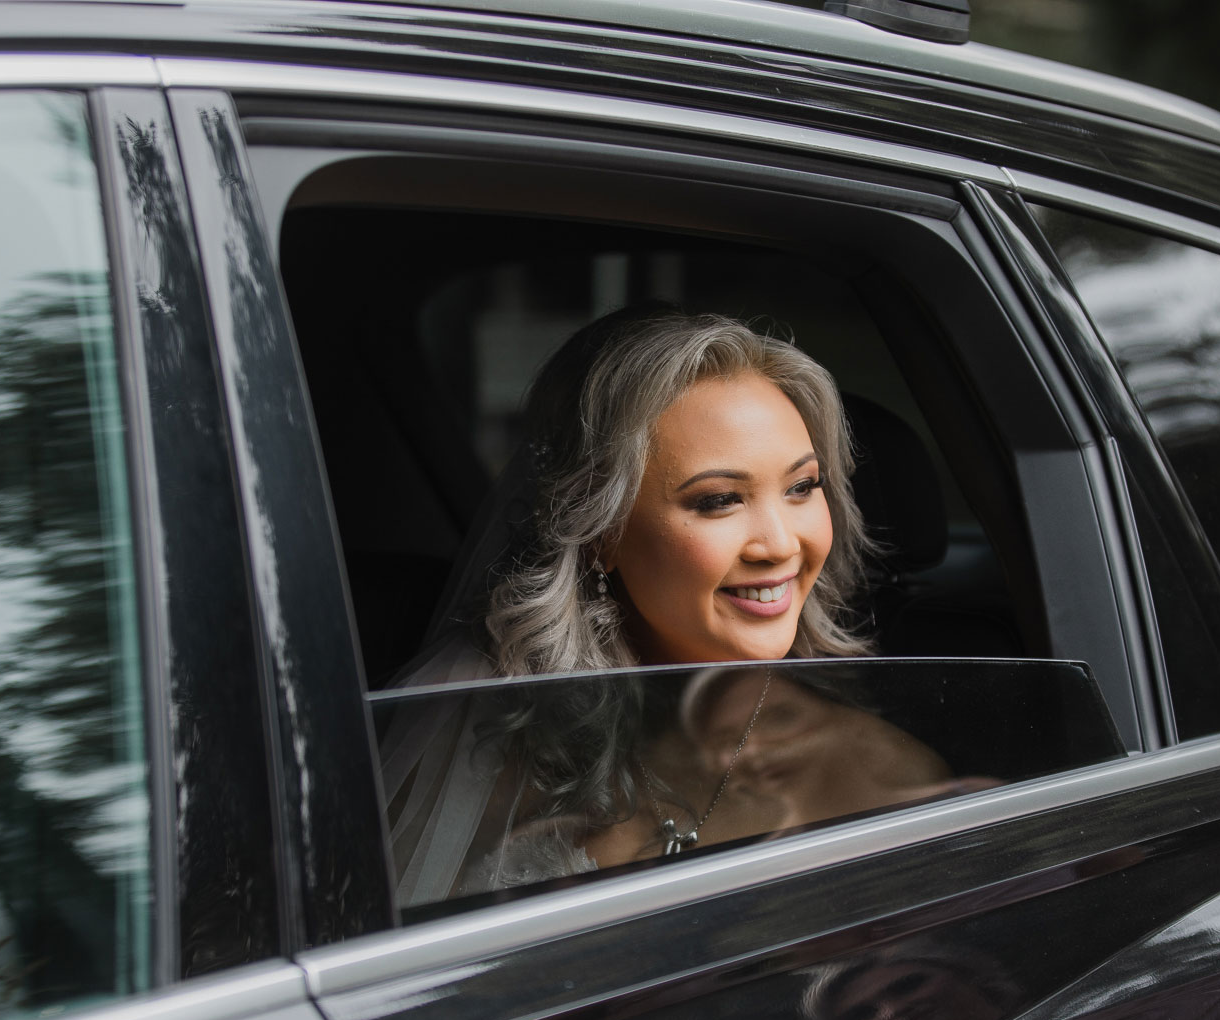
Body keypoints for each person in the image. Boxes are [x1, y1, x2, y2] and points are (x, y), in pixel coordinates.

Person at [381, 306, 947, 904]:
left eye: (802, 487)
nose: (781, 544)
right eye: (719, 500)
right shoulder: (479, 719)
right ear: (599, 529)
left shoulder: (884, 778)